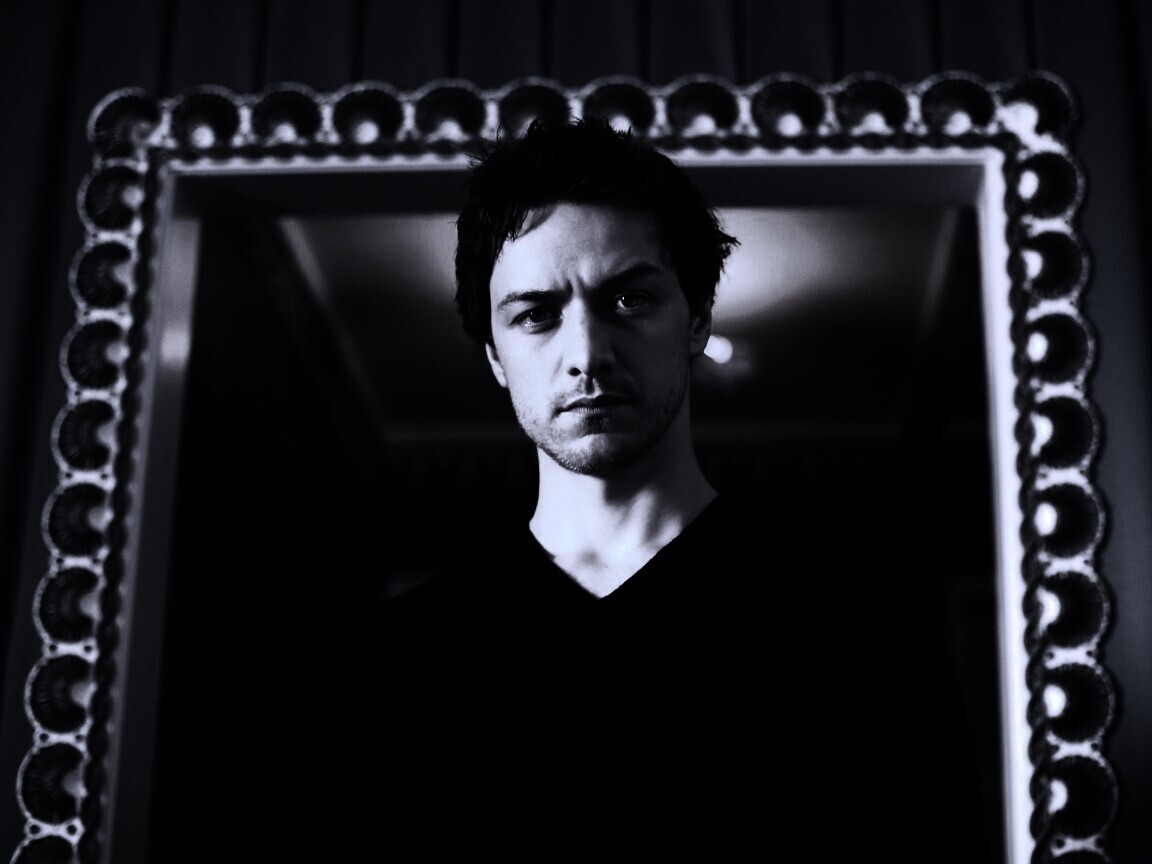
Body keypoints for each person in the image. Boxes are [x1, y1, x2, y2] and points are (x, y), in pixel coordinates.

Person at [322, 117, 991, 862]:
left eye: (629, 301)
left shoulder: (861, 633)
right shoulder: (393, 665)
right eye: (536, 315)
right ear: (495, 358)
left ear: (698, 319)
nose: (586, 353)